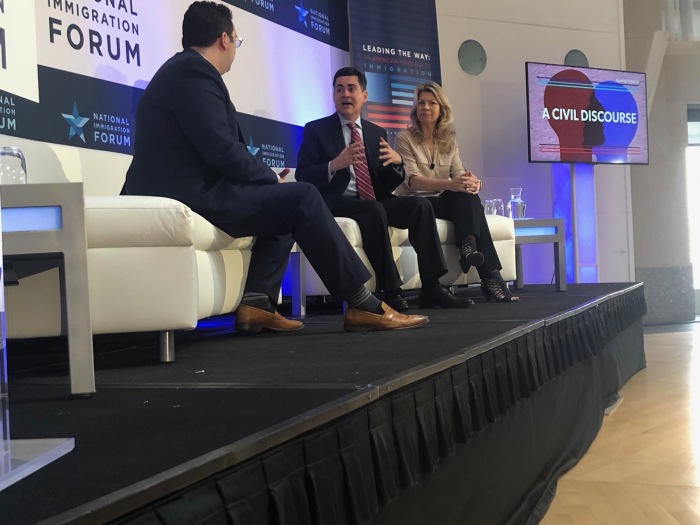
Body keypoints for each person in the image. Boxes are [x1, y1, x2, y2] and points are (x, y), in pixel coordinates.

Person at [121, 1, 428, 332]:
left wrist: (267, 183)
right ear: (224, 39)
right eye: (236, 42)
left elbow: (218, 149)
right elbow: (221, 150)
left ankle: (257, 303)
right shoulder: (193, 73)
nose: (235, 50)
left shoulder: (186, 71)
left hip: (191, 187)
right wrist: (268, 178)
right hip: (186, 192)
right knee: (303, 197)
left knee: (287, 203)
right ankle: (362, 304)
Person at [296, 67, 473, 312]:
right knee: (373, 210)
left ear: (364, 95)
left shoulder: (374, 132)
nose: (345, 94)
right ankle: (390, 289)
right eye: (339, 89)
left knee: (419, 206)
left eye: (351, 88)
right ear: (333, 95)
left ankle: (432, 287)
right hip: (337, 200)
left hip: (374, 198)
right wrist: (335, 164)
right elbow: (304, 175)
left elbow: (384, 182)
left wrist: (397, 163)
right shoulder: (316, 130)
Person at [394, 81, 519, 302]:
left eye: (432, 103)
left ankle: (470, 248)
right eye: (421, 103)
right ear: (415, 109)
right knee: (472, 204)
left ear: (441, 109)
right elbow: (413, 181)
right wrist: (452, 184)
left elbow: (459, 173)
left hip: (443, 200)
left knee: (469, 196)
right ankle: (490, 278)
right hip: (417, 203)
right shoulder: (404, 138)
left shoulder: (449, 139)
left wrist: (473, 183)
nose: (425, 107)